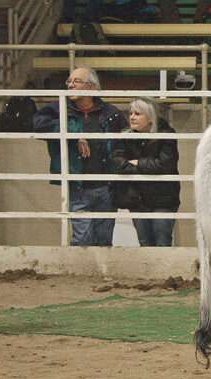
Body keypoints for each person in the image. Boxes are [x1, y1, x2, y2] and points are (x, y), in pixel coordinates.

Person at [33, 66, 127, 246]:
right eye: (69, 81)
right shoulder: (58, 109)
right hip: (78, 186)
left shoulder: (111, 113)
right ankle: (82, 273)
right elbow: (38, 124)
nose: (70, 85)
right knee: (82, 239)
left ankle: (101, 273)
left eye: (76, 81)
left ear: (91, 87)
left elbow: (125, 142)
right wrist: (72, 132)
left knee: (104, 239)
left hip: (106, 187)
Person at [111, 97, 181, 247]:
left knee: (162, 241)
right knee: (144, 242)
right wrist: (148, 165)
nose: (132, 117)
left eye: (137, 113)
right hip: (138, 199)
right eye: (131, 113)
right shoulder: (126, 136)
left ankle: (165, 271)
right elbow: (118, 163)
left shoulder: (166, 134)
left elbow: (166, 165)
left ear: (150, 118)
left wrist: (137, 162)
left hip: (163, 199)